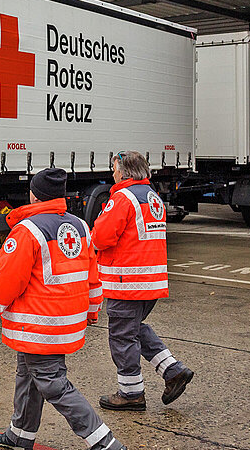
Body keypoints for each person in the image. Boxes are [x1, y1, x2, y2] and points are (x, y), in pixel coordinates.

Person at [0, 168, 126, 450]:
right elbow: (93, 276)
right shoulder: (80, 226)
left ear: (33, 195)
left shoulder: (27, 231)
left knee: (53, 384)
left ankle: (104, 443)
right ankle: (20, 435)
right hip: (65, 323)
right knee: (28, 376)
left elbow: (7, 281)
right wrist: (93, 310)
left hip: (38, 326)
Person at [92, 151, 193, 411]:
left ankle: (130, 393)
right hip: (150, 282)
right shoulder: (152, 197)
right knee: (135, 329)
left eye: (114, 168)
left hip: (127, 282)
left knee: (122, 337)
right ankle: (172, 370)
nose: (112, 173)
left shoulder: (123, 198)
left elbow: (101, 238)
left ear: (124, 172)